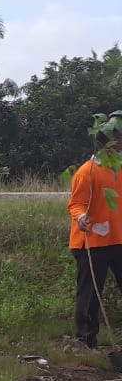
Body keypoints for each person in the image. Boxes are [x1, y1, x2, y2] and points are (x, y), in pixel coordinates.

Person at [68, 128, 122, 348]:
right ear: (107, 145)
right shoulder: (87, 171)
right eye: (118, 141)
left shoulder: (118, 168)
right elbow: (76, 203)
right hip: (92, 242)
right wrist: (81, 217)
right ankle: (86, 339)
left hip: (118, 239)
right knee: (91, 293)